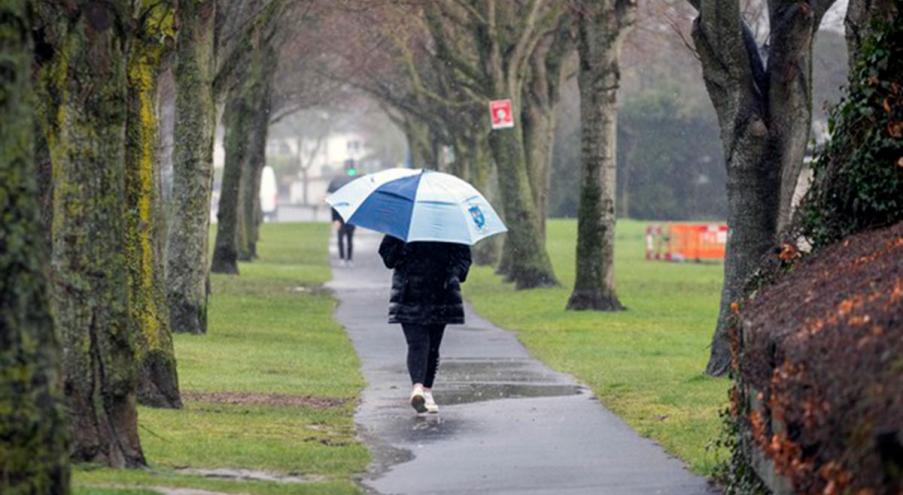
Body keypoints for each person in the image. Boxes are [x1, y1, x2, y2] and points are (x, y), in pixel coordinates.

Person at [379, 235, 472, 414]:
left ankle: (427, 391)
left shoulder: (450, 227)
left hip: (441, 294)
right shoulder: (403, 225)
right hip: (409, 294)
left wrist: (452, 274)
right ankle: (418, 388)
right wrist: (404, 250)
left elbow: (464, 259)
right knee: (417, 343)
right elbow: (389, 257)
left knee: (433, 346)